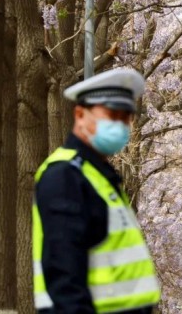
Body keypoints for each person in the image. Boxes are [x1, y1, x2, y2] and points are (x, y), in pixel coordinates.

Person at [33, 68, 161, 313]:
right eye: (111, 114)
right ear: (80, 114)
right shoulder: (66, 176)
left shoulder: (98, 175)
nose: (120, 124)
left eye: (126, 117)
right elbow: (64, 275)